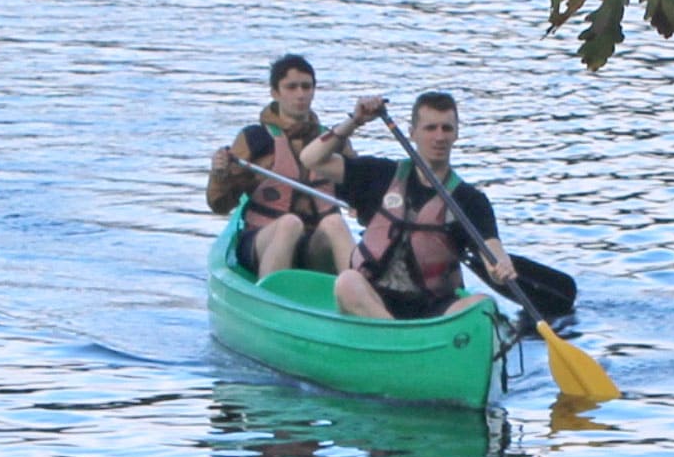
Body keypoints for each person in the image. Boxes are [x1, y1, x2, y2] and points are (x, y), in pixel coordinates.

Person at [333, 89, 518, 323]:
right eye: (430, 128)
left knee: (483, 306)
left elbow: (492, 250)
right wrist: (355, 120)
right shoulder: (381, 175)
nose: (439, 137)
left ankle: (408, 341)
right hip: (376, 299)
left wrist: (500, 267)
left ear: (456, 135)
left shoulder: (470, 200)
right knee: (346, 282)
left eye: (446, 128)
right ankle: (399, 338)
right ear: (412, 133)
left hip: (434, 308)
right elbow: (312, 159)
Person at [204, 55, 386, 280]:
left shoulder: (331, 141)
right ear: (275, 93)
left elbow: (360, 191)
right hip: (262, 241)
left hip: (313, 248)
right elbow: (220, 205)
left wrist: (364, 207)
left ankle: (362, 295)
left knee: (335, 222)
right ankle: (269, 297)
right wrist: (220, 175)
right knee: (290, 224)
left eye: (306, 87)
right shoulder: (254, 139)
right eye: (291, 87)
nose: (300, 94)